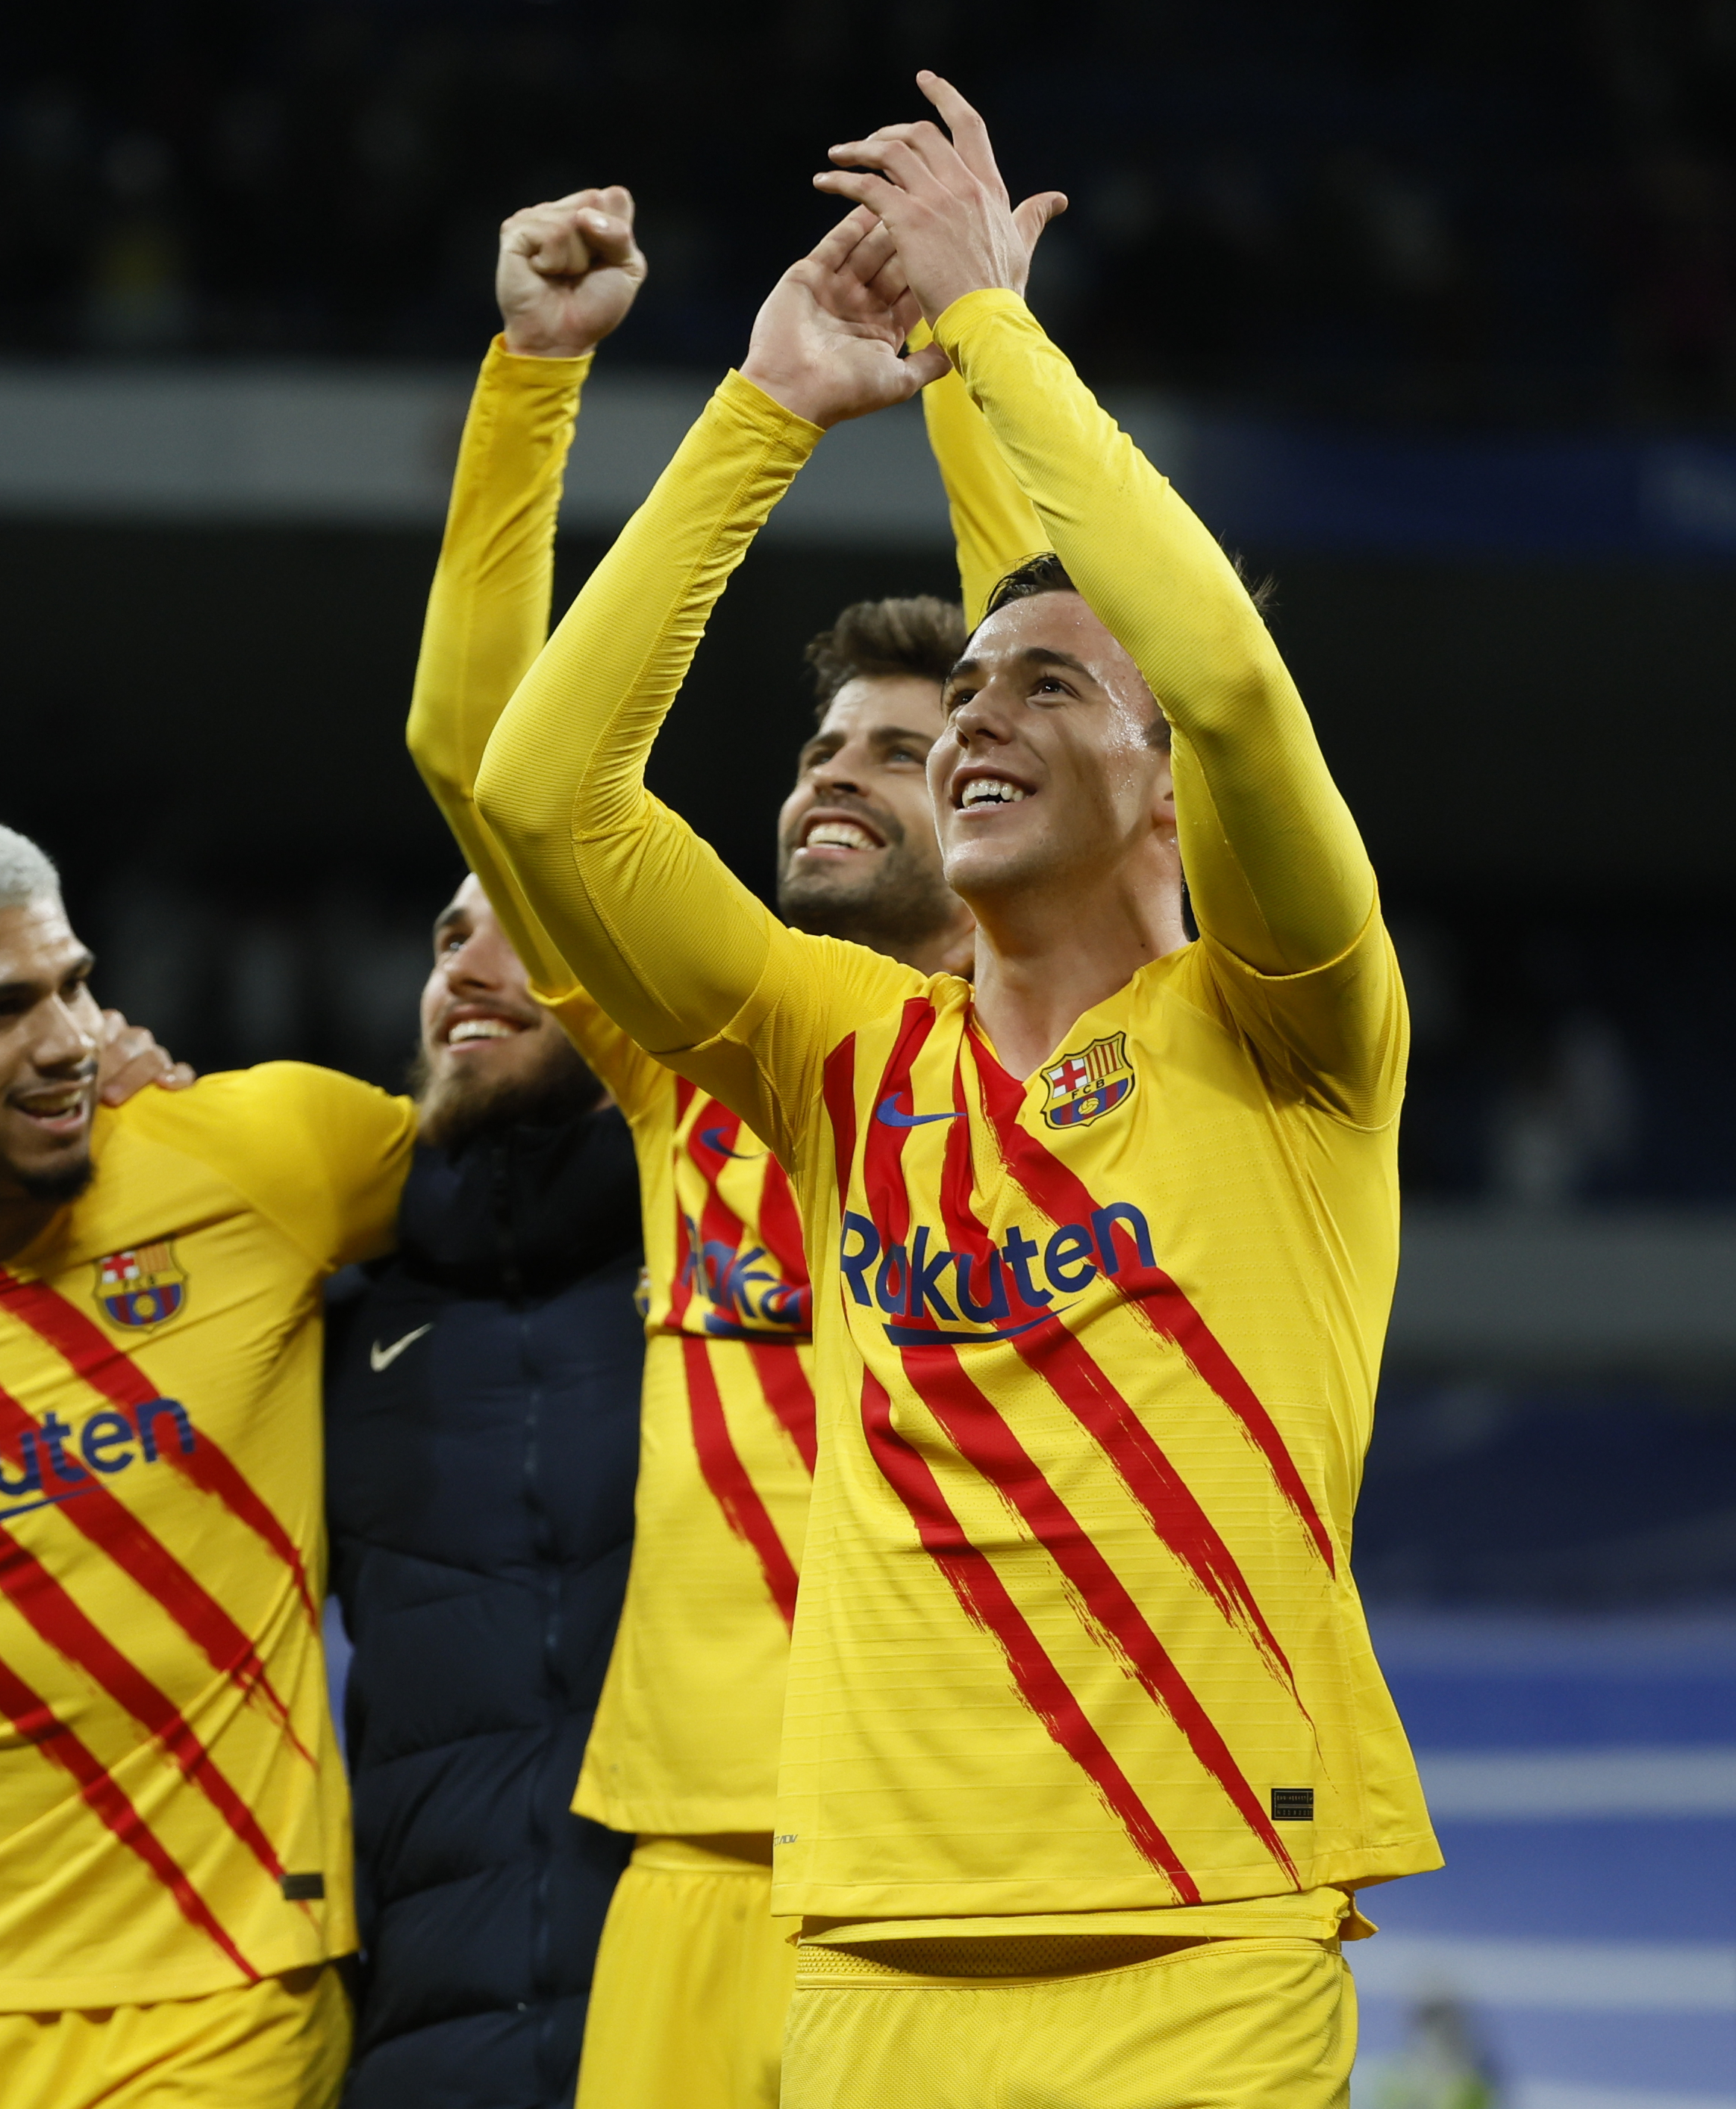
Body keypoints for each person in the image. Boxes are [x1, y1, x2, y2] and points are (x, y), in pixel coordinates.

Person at [476, 78, 1438, 2108]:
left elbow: (1228, 679)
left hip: (1200, 1943)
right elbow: (541, 795)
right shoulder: (840, 1053)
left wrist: (991, 331)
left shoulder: (1289, 1026)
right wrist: (763, 411)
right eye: (965, 696)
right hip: (866, 1949)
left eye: (1048, 686)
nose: (973, 720)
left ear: (1167, 790)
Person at [402, 188, 1022, 2109]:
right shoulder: (696, 1065)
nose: (833, 770)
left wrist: (975, 368)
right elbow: (478, 757)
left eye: (899, 751)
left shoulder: (1084, 1079)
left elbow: (1081, 684)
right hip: (685, 1867)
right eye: (820, 746)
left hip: (968, 1866)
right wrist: (533, 382)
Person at [0, 811, 413, 2109]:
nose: (71, 1039)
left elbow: (556, 1182)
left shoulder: (256, 1154)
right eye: (3, 1008)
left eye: (74, 984)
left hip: (228, 1975)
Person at [318, 865, 641, 2107]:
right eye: (449, 938)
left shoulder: (744, 1265)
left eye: (529, 933)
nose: (466, 967)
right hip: (425, 2039)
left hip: (709, 2007)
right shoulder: (329, 1314)